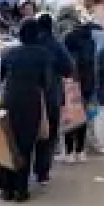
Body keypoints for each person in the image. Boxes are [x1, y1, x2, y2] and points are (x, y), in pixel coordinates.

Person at [0, 19, 55, 203]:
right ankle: (21, 190)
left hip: (8, 100)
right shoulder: (43, 54)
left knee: (7, 142)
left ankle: (6, 188)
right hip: (30, 101)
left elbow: (2, 77)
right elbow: (46, 82)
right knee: (25, 145)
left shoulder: (8, 52)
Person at [31, 13, 73, 183]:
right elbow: (68, 69)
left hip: (30, 96)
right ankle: (42, 173)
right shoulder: (57, 45)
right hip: (51, 97)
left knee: (28, 135)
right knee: (47, 135)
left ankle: (24, 173)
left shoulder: (30, 43)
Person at [60, 11, 100, 162]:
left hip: (71, 83)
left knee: (69, 117)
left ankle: (69, 153)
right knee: (83, 117)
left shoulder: (69, 38)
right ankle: (81, 151)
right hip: (88, 83)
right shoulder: (90, 40)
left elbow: (65, 63)